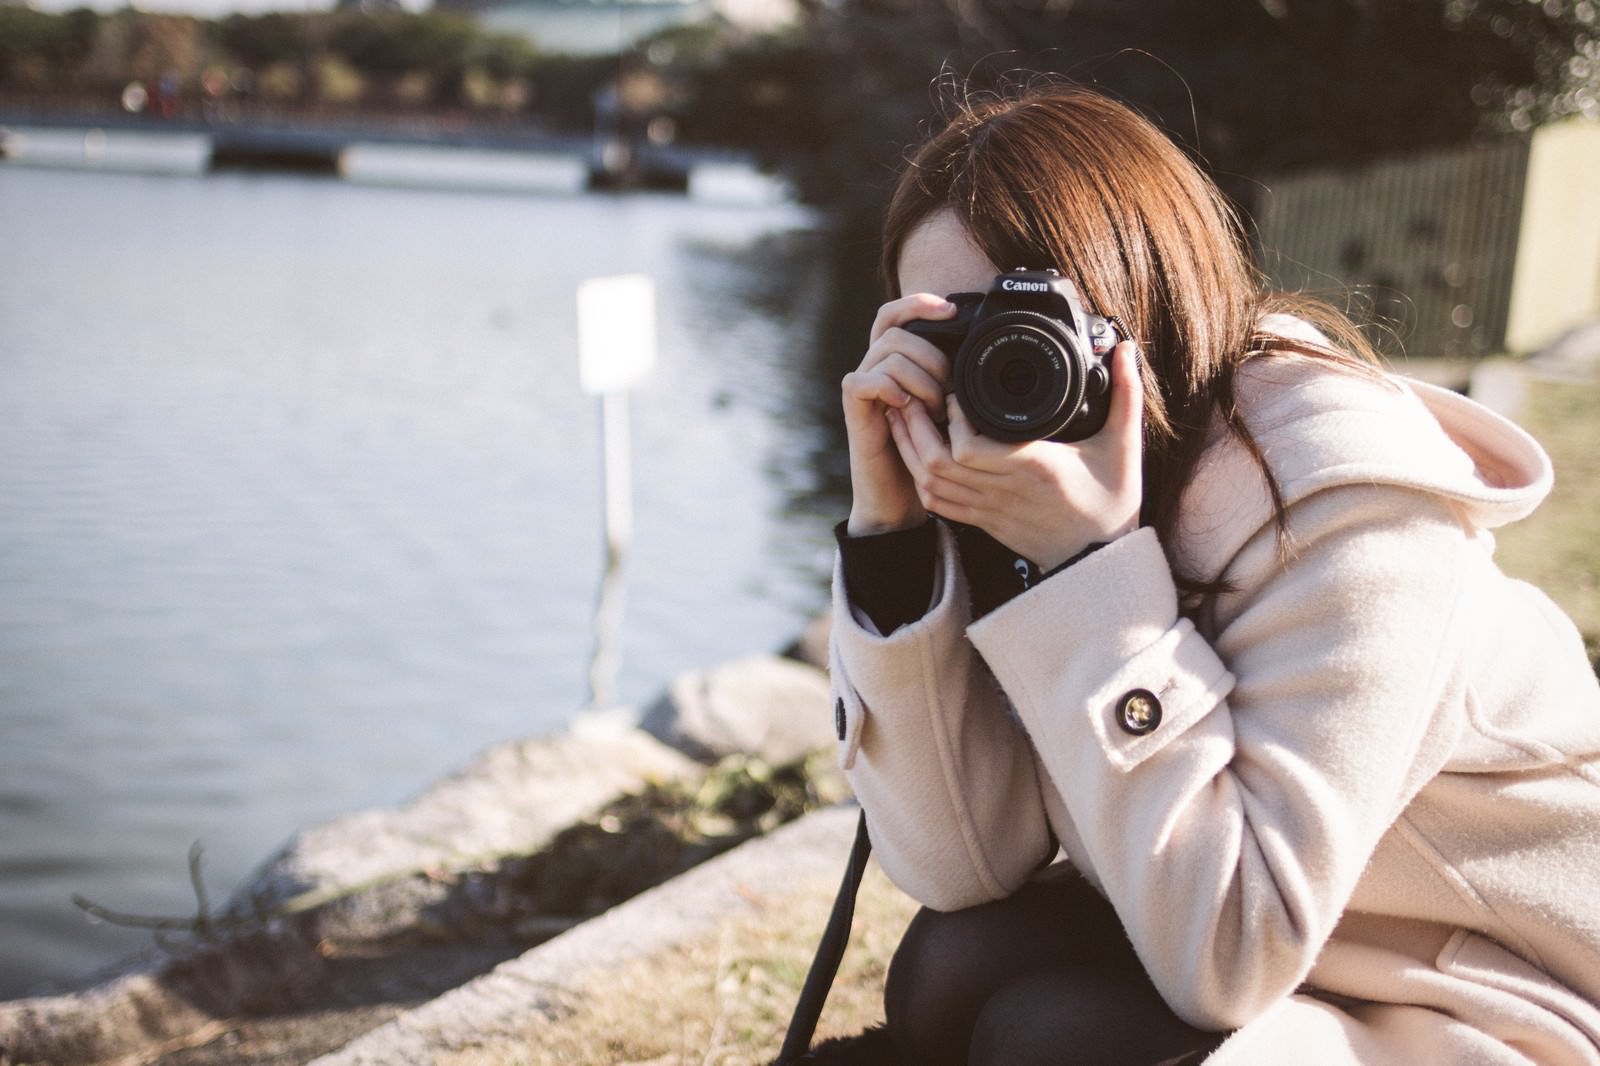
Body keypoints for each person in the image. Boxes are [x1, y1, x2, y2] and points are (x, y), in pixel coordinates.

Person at [828, 81, 1600, 1065]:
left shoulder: (1350, 502)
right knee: (950, 961)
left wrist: (1087, 567)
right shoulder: (1008, 485)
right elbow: (959, 864)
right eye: (951, 335)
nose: (998, 372)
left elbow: (1230, 953)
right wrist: (892, 537)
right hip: (1290, 938)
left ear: (1142, 307)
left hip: (1490, 987)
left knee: (1050, 1039)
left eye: (1031, 329)